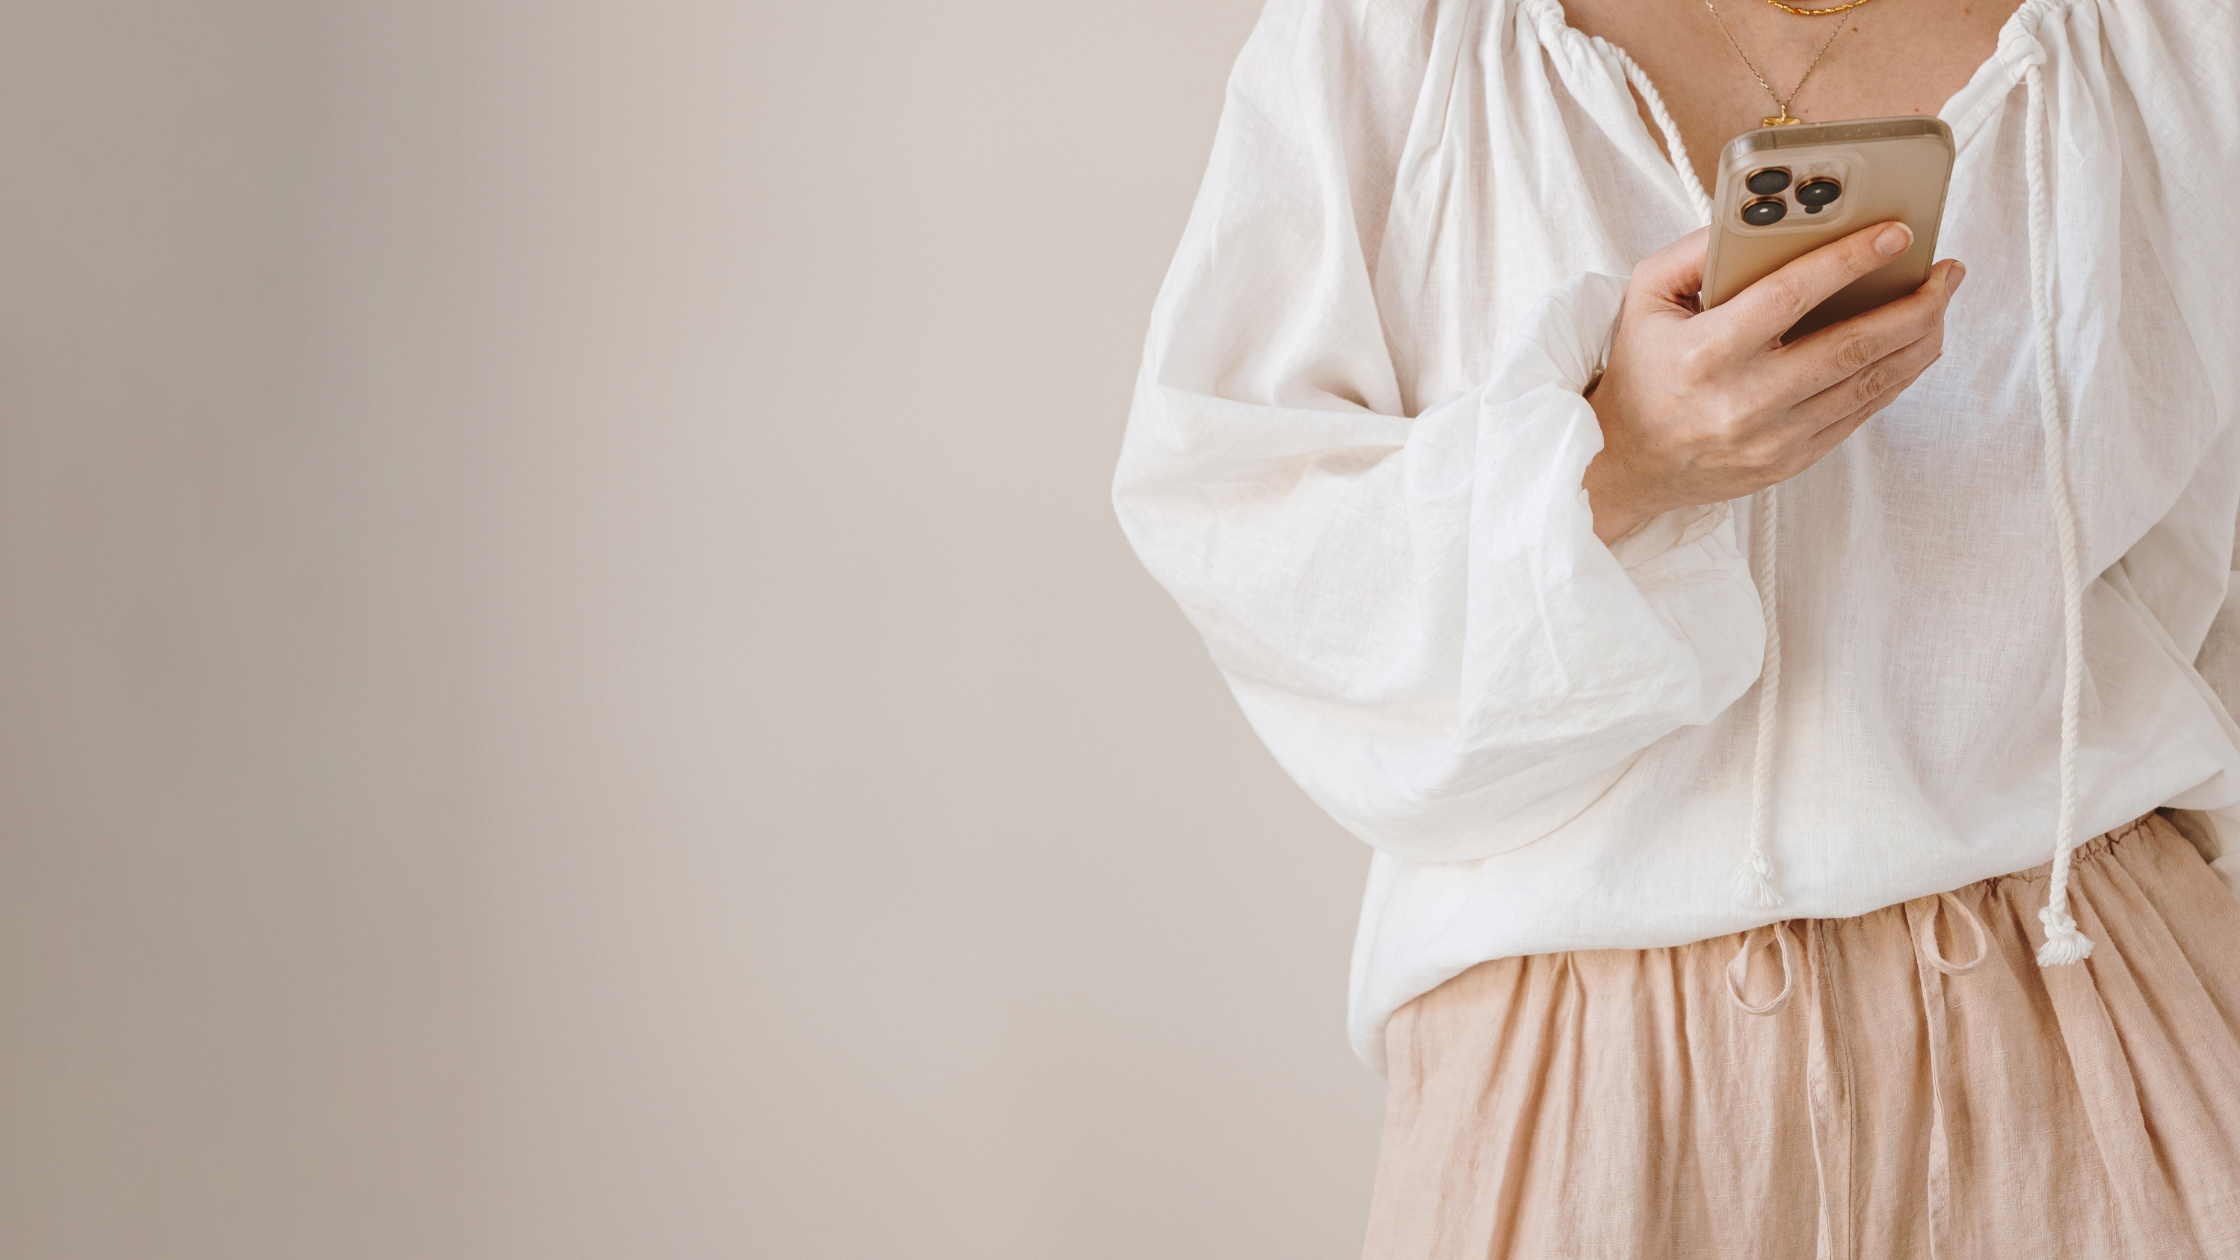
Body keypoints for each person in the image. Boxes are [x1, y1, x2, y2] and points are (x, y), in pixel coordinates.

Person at [1111, 0, 2240, 1253]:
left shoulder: (2168, 39)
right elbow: (1235, 518)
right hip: (1583, 1072)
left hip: (2094, 1011)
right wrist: (1614, 462)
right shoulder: (1403, 37)